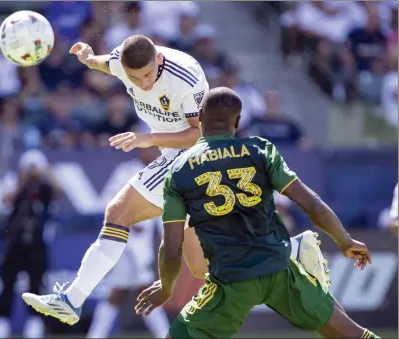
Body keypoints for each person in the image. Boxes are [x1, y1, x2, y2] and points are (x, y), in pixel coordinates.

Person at [22, 35, 330, 326]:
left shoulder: (185, 76)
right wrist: (90, 59)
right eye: (135, 78)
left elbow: (201, 133)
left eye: (147, 75)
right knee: (199, 264)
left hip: (193, 155)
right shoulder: (123, 62)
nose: (142, 83)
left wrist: (148, 139)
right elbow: (108, 63)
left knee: (118, 214)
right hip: (182, 157)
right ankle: (291, 250)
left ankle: (72, 299)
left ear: (159, 58)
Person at [135, 87, 379, 339]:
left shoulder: (180, 170)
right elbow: (313, 205)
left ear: (199, 117)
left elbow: (172, 247)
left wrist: (166, 288)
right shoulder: (261, 150)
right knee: (351, 334)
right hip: (278, 267)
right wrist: (345, 241)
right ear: (238, 122)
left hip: (231, 277)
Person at [87, 148, 170, 338]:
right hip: (123, 242)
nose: (154, 153)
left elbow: (163, 211)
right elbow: (108, 201)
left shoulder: (162, 173)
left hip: (143, 247)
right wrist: (129, 220)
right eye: (151, 149)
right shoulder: (125, 171)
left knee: (142, 292)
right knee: (120, 292)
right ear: (141, 150)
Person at [0, 149, 63, 338]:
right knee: (7, 283)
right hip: (15, 242)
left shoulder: (46, 187)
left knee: (36, 285)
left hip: (38, 242)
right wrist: (23, 180)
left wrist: (46, 173)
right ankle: (1, 323)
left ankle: (34, 324)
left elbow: (61, 192)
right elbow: (5, 199)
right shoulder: (14, 180)